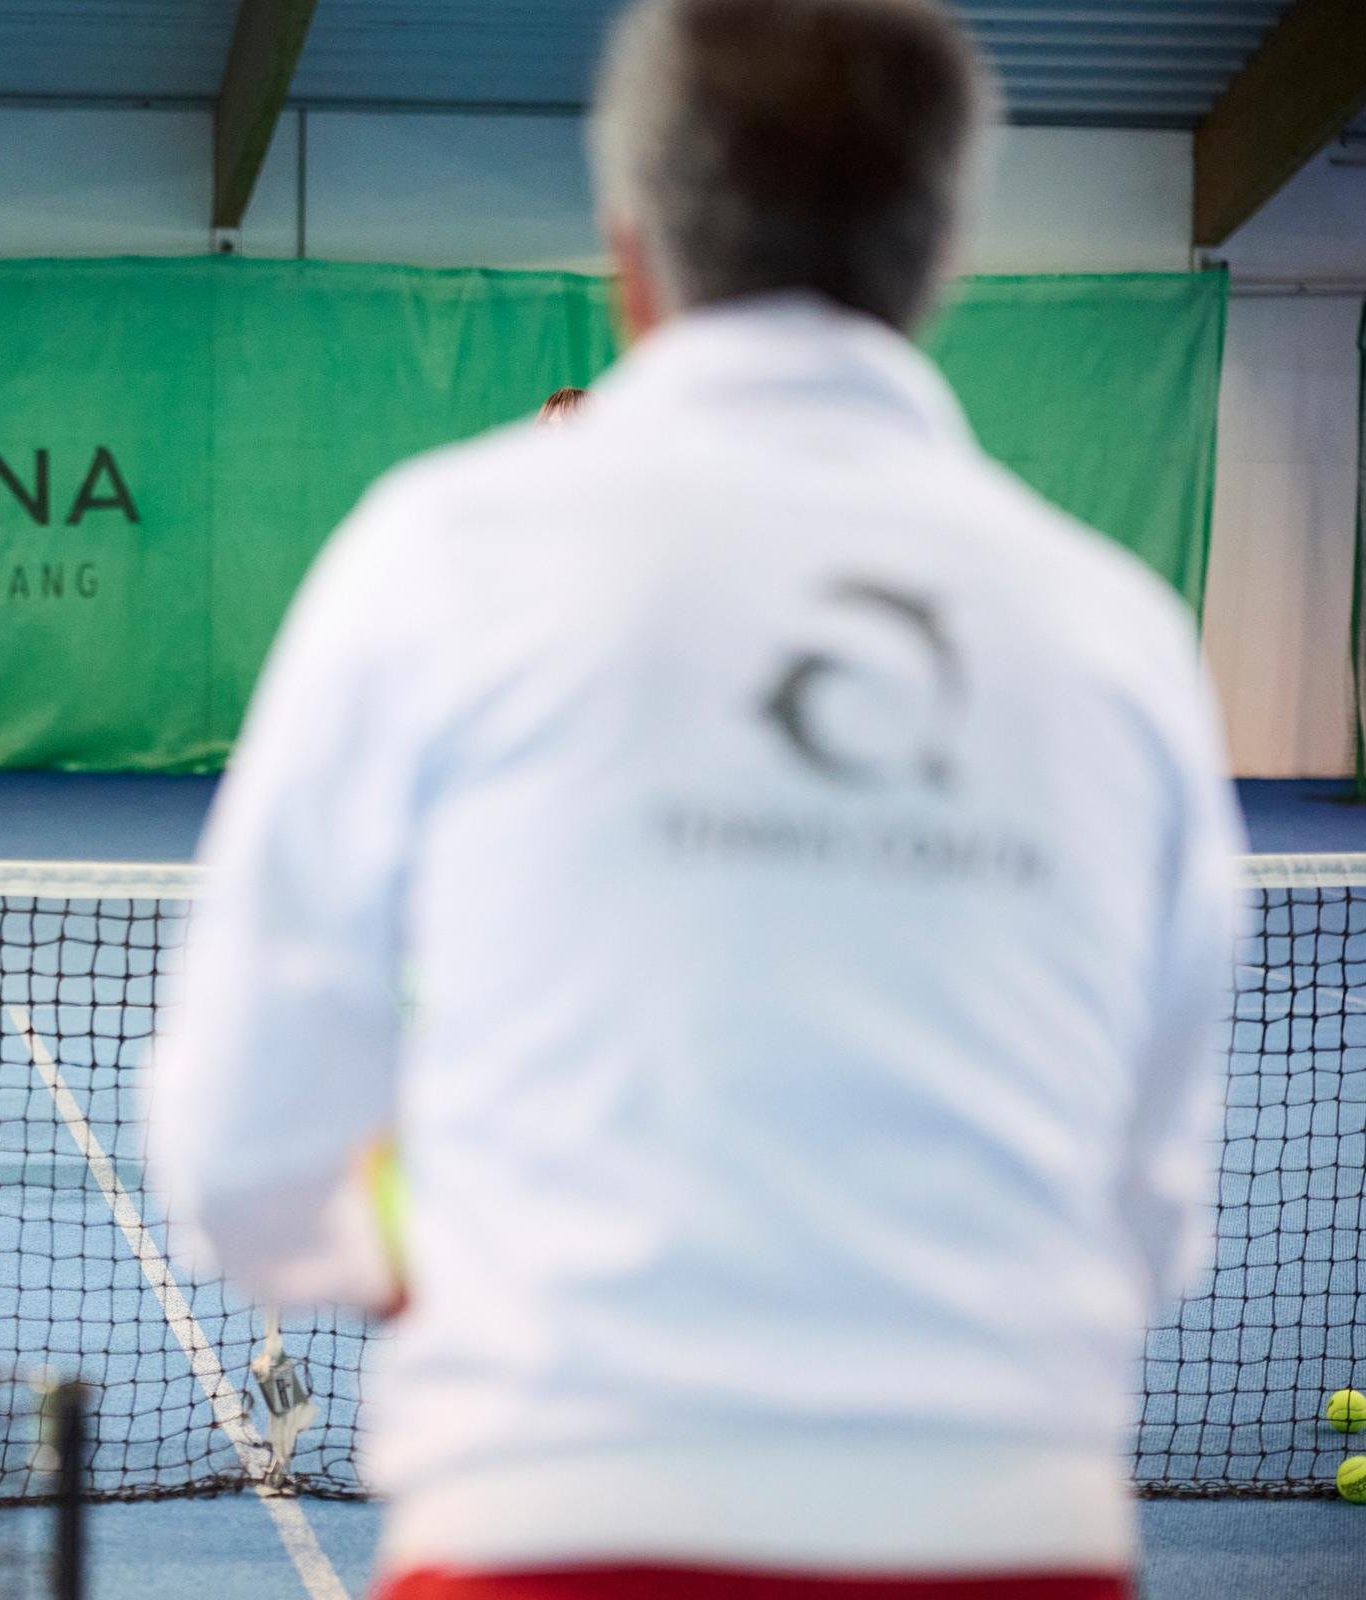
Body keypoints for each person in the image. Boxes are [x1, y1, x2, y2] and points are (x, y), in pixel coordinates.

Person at [146, 1, 1242, 1596]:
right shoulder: (1122, 640)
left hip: (545, 1531)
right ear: (942, 245)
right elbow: (1149, 1224)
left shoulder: (440, 558)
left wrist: (485, 1259)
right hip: (1025, 1534)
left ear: (626, 242)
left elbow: (245, 1157)